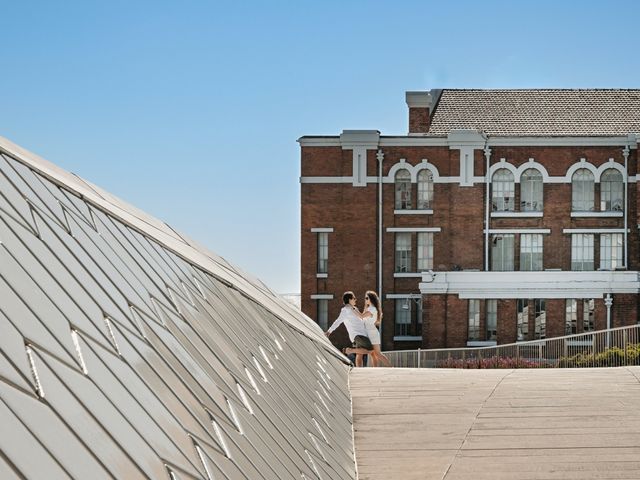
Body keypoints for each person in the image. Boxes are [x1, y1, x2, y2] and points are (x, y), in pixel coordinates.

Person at [325, 291, 373, 365]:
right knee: (370, 349)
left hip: (362, 334)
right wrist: (329, 331)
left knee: (359, 354)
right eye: (354, 298)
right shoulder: (345, 310)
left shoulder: (354, 308)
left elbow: (360, 319)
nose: (355, 300)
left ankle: (359, 371)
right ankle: (349, 351)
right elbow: (338, 321)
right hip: (357, 335)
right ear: (349, 300)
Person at [357, 290, 392, 367]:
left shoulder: (372, 309)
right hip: (367, 333)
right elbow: (363, 319)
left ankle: (391, 367)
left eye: (367, 298)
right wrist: (365, 307)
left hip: (372, 333)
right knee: (372, 354)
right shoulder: (369, 308)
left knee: (377, 354)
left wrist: (353, 309)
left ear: (371, 299)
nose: (365, 300)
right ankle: (375, 370)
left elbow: (361, 316)